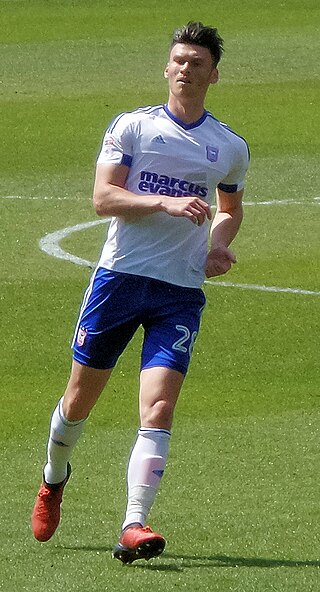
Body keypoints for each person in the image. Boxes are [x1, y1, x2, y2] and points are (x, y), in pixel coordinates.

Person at [31, 21, 249, 564]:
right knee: (79, 399)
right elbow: (104, 198)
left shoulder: (228, 147)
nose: (185, 68)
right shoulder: (133, 127)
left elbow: (229, 210)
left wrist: (217, 247)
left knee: (159, 406)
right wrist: (165, 204)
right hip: (120, 280)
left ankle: (133, 523)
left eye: (197, 62)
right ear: (166, 68)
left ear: (213, 74)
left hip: (180, 291)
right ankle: (53, 479)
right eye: (178, 59)